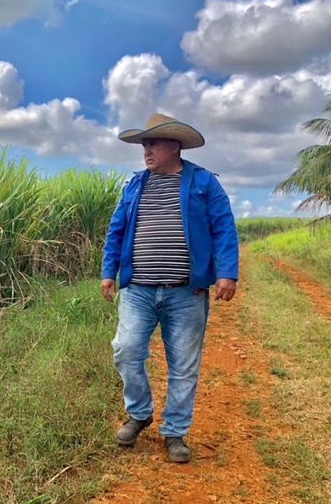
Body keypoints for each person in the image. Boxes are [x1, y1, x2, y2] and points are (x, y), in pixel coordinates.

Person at [101, 113, 238, 463]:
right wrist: (108, 271)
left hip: (185, 292)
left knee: (184, 365)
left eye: (153, 143)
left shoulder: (204, 182)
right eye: (144, 144)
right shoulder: (134, 185)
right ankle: (140, 413)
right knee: (126, 349)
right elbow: (116, 229)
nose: (146, 150)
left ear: (174, 146)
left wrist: (227, 273)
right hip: (138, 290)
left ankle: (175, 432)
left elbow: (223, 227)